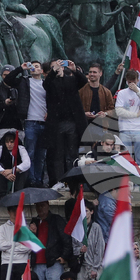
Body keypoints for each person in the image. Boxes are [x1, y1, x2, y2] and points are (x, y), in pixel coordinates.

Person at [42, 59, 87, 187]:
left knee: (72, 154)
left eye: (60, 65)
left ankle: (73, 180)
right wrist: (53, 71)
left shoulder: (70, 80)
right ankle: (59, 181)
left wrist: (74, 70)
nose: (58, 67)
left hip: (72, 122)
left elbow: (84, 81)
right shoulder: (50, 82)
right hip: (57, 124)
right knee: (58, 154)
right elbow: (46, 84)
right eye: (54, 66)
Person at [8, 61, 48, 187]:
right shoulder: (24, 81)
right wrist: (21, 68)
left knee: (41, 154)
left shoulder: (46, 84)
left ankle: (39, 180)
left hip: (44, 122)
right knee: (30, 152)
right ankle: (31, 179)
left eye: (37, 66)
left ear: (42, 70)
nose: (34, 68)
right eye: (32, 66)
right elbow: (8, 80)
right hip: (30, 121)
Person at [29, 200, 70, 280]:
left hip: (53, 262)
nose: (40, 208)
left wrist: (64, 256)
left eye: (42, 205)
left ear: (48, 205)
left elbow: (66, 238)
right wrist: (32, 233)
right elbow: (30, 243)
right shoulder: (34, 222)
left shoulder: (57, 219)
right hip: (37, 263)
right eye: (38, 206)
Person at [115, 70, 140, 163]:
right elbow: (119, 111)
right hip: (125, 128)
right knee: (125, 158)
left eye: (134, 82)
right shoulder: (121, 93)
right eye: (129, 82)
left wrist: (137, 91)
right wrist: (136, 115)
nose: (132, 84)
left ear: (138, 80)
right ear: (126, 81)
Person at [0, 206, 32, 280]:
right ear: (9, 212)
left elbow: (28, 247)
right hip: (6, 262)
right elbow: (1, 246)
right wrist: (16, 242)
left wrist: (10, 248)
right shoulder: (2, 228)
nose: (16, 213)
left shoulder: (25, 228)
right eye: (13, 210)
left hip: (22, 262)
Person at [73, 201, 105, 280]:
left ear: (91, 212)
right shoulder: (77, 228)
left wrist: (95, 268)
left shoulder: (96, 228)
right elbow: (74, 247)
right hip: (82, 266)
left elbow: (99, 249)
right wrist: (80, 250)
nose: (84, 213)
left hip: (94, 266)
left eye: (86, 211)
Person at [0, 130, 30, 200]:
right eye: (7, 142)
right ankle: (2, 195)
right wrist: (5, 173)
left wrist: (12, 170)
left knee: (24, 170)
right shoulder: (0, 148)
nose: (9, 144)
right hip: (4, 174)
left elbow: (27, 163)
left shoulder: (21, 148)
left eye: (12, 142)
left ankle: (18, 193)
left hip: (16, 174)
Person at [0, 64, 24, 140]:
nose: (7, 77)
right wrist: (4, 104)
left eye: (9, 75)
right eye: (5, 75)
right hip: (2, 126)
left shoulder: (19, 87)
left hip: (18, 125)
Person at [79, 63, 114, 127]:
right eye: (90, 72)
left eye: (94, 72)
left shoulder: (106, 92)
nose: (92, 74)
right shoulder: (81, 91)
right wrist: (84, 114)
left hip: (101, 125)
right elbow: (75, 108)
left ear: (100, 74)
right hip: (84, 125)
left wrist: (105, 113)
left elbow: (112, 110)